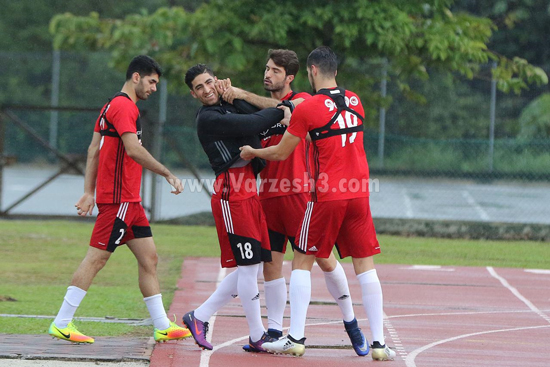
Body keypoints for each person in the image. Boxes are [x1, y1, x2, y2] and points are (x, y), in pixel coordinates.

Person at [240, 46, 396, 361]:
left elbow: (282, 152)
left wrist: (253, 152)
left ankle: (295, 337)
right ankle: (379, 344)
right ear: (334, 71)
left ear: (311, 71)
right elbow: (330, 136)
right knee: (365, 267)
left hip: (327, 195)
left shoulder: (310, 107)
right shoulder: (356, 101)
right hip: (359, 195)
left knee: (302, 260)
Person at [48, 55, 191, 344]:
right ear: (136, 77)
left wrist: (89, 192)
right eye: (151, 82)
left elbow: (92, 150)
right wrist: (167, 173)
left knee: (149, 258)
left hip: (130, 202)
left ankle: (162, 324)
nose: (153, 88)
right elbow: (134, 150)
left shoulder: (110, 105)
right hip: (119, 200)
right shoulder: (125, 107)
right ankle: (62, 322)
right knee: (96, 258)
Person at [181, 64, 288, 352]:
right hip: (231, 194)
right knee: (247, 266)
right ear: (193, 94)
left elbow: (252, 116)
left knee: (249, 268)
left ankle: (199, 316)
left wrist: (234, 95)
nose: (206, 90)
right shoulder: (208, 118)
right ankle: (256, 335)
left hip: (248, 192)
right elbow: (254, 125)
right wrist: (286, 108)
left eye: (209, 83)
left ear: (216, 81)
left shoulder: (226, 106)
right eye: (199, 88)